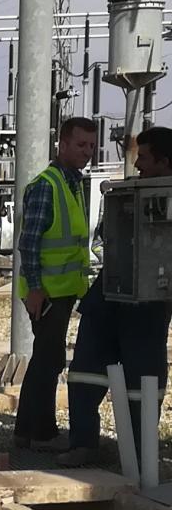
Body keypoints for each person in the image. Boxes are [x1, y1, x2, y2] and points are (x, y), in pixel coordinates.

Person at [60, 126, 172, 466]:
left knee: (143, 382)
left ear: (165, 162)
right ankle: (83, 445)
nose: (137, 165)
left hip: (149, 305)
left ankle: (140, 457)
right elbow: (103, 240)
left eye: (145, 158)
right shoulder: (126, 193)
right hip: (109, 295)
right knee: (85, 371)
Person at [13, 116, 97, 452]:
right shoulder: (48, 185)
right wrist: (36, 289)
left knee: (46, 360)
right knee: (48, 362)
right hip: (46, 292)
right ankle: (41, 433)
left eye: (91, 145)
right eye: (81, 144)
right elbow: (29, 243)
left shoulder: (72, 184)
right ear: (62, 144)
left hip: (61, 290)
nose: (87, 152)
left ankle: (27, 431)